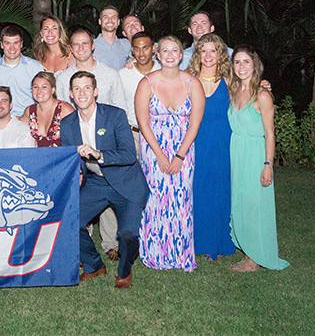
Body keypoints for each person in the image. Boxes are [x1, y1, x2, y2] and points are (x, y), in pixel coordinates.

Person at [60, 71, 149, 288]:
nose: (82, 93)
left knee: (128, 234)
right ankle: (94, 265)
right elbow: (70, 159)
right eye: (77, 89)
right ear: (71, 94)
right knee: (68, 221)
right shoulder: (67, 124)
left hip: (125, 182)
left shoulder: (116, 115)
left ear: (96, 91)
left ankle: (125, 269)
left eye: (87, 87)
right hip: (96, 183)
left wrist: (99, 154)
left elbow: (129, 155)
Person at [135, 35, 205, 272]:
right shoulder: (147, 83)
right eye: (165, 50)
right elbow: (143, 123)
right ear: (157, 54)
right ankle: (154, 251)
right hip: (154, 149)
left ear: (181, 54)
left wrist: (179, 156)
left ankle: (181, 253)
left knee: (181, 200)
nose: (170, 54)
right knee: (155, 200)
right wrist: (160, 156)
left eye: (175, 50)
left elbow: (195, 124)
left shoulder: (193, 83)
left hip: (183, 149)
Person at [56, 28, 125, 259]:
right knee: (85, 187)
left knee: (109, 187)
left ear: (93, 45)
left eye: (85, 43)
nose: (81, 48)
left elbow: (120, 107)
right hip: (79, 137)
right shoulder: (63, 77)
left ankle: (110, 243)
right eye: (76, 44)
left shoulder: (109, 73)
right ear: (71, 49)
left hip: (108, 141)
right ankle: (83, 241)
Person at [228, 46, 289, 272]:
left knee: (253, 205)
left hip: (255, 154)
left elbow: (270, 133)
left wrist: (268, 165)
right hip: (236, 152)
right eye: (237, 62)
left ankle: (253, 259)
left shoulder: (262, 95)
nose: (242, 67)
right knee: (240, 203)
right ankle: (247, 252)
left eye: (246, 62)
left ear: (255, 65)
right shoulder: (233, 90)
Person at [184, 33, 237, 261]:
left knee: (218, 192)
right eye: (203, 50)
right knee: (194, 191)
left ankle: (215, 243)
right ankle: (194, 242)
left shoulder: (231, 81)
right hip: (194, 143)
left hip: (221, 144)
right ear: (197, 53)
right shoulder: (186, 79)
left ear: (221, 54)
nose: (208, 55)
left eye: (213, 50)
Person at [0, 25, 44, 116]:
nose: (12, 48)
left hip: (28, 120)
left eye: (16, 43)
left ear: (21, 44)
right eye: (7, 43)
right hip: (1, 120)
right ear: (1, 45)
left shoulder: (35, 68)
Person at [118, 32, 160, 152]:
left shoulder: (163, 71)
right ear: (132, 50)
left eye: (145, 48)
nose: (141, 54)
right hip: (133, 134)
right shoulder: (123, 74)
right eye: (137, 49)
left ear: (153, 48)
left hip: (159, 133)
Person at [18, 72, 74, 147]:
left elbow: (77, 137)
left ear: (53, 89)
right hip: (37, 156)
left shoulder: (64, 109)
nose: (39, 91)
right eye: (35, 87)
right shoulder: (30, 111)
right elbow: (17, 129)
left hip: (61, 156)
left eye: (44, 87)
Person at [93, 6, 131, 70]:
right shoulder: (91, 45)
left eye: (113, 17)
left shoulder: (126, 44)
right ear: (100, 21)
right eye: (106, 17)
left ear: (118, 22)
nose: (110, 20)